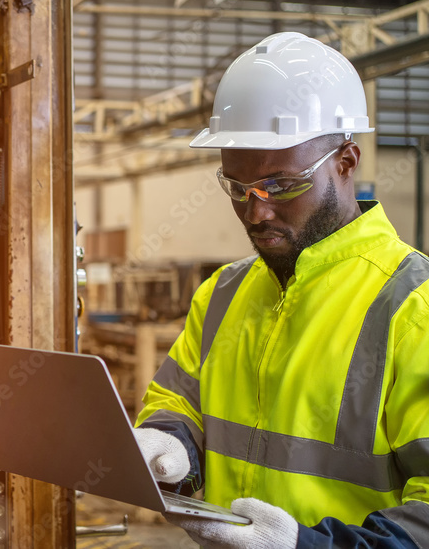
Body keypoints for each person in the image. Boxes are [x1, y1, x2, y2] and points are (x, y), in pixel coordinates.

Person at [134, 31, 429, 548]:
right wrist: (171, 441)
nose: (257, 210)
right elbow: (176, 400)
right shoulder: (222, 295)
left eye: (281, 185)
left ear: (346, 160)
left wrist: (305, 546)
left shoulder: (412, 308)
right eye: (237, 187)